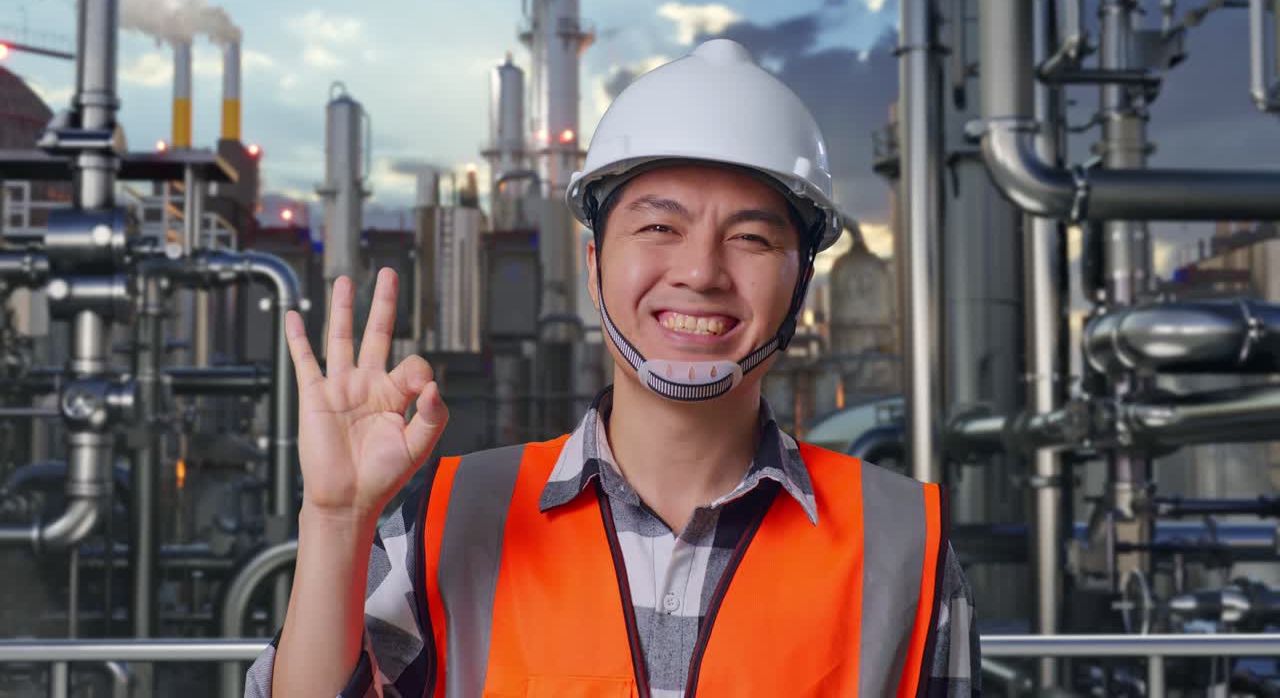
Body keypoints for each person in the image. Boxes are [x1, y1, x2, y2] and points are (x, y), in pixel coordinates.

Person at [247, 38, 980, 698]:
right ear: (595, 265)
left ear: (801, 284)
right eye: (660, 227)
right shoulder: (446, 518)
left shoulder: (902, 543)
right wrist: (336, 521)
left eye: (752, 238)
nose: (700, 270)